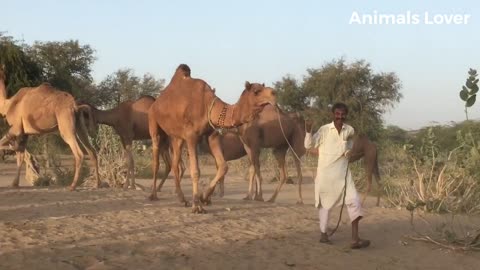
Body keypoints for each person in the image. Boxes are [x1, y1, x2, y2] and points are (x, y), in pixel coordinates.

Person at [304, 102, 370, 249]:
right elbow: (309, 146)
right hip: (326, 175)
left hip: (344, 175)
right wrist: (308, 132)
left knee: (355, 202)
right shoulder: (324, 130)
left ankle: (355, 239)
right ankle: (323, 234)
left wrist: (348, 151)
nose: (340, 117)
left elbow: (349, 146)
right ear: (333, 114)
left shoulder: (349, 130)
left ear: (346, 115)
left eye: (343, 114)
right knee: (325, 205)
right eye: (337, 114)